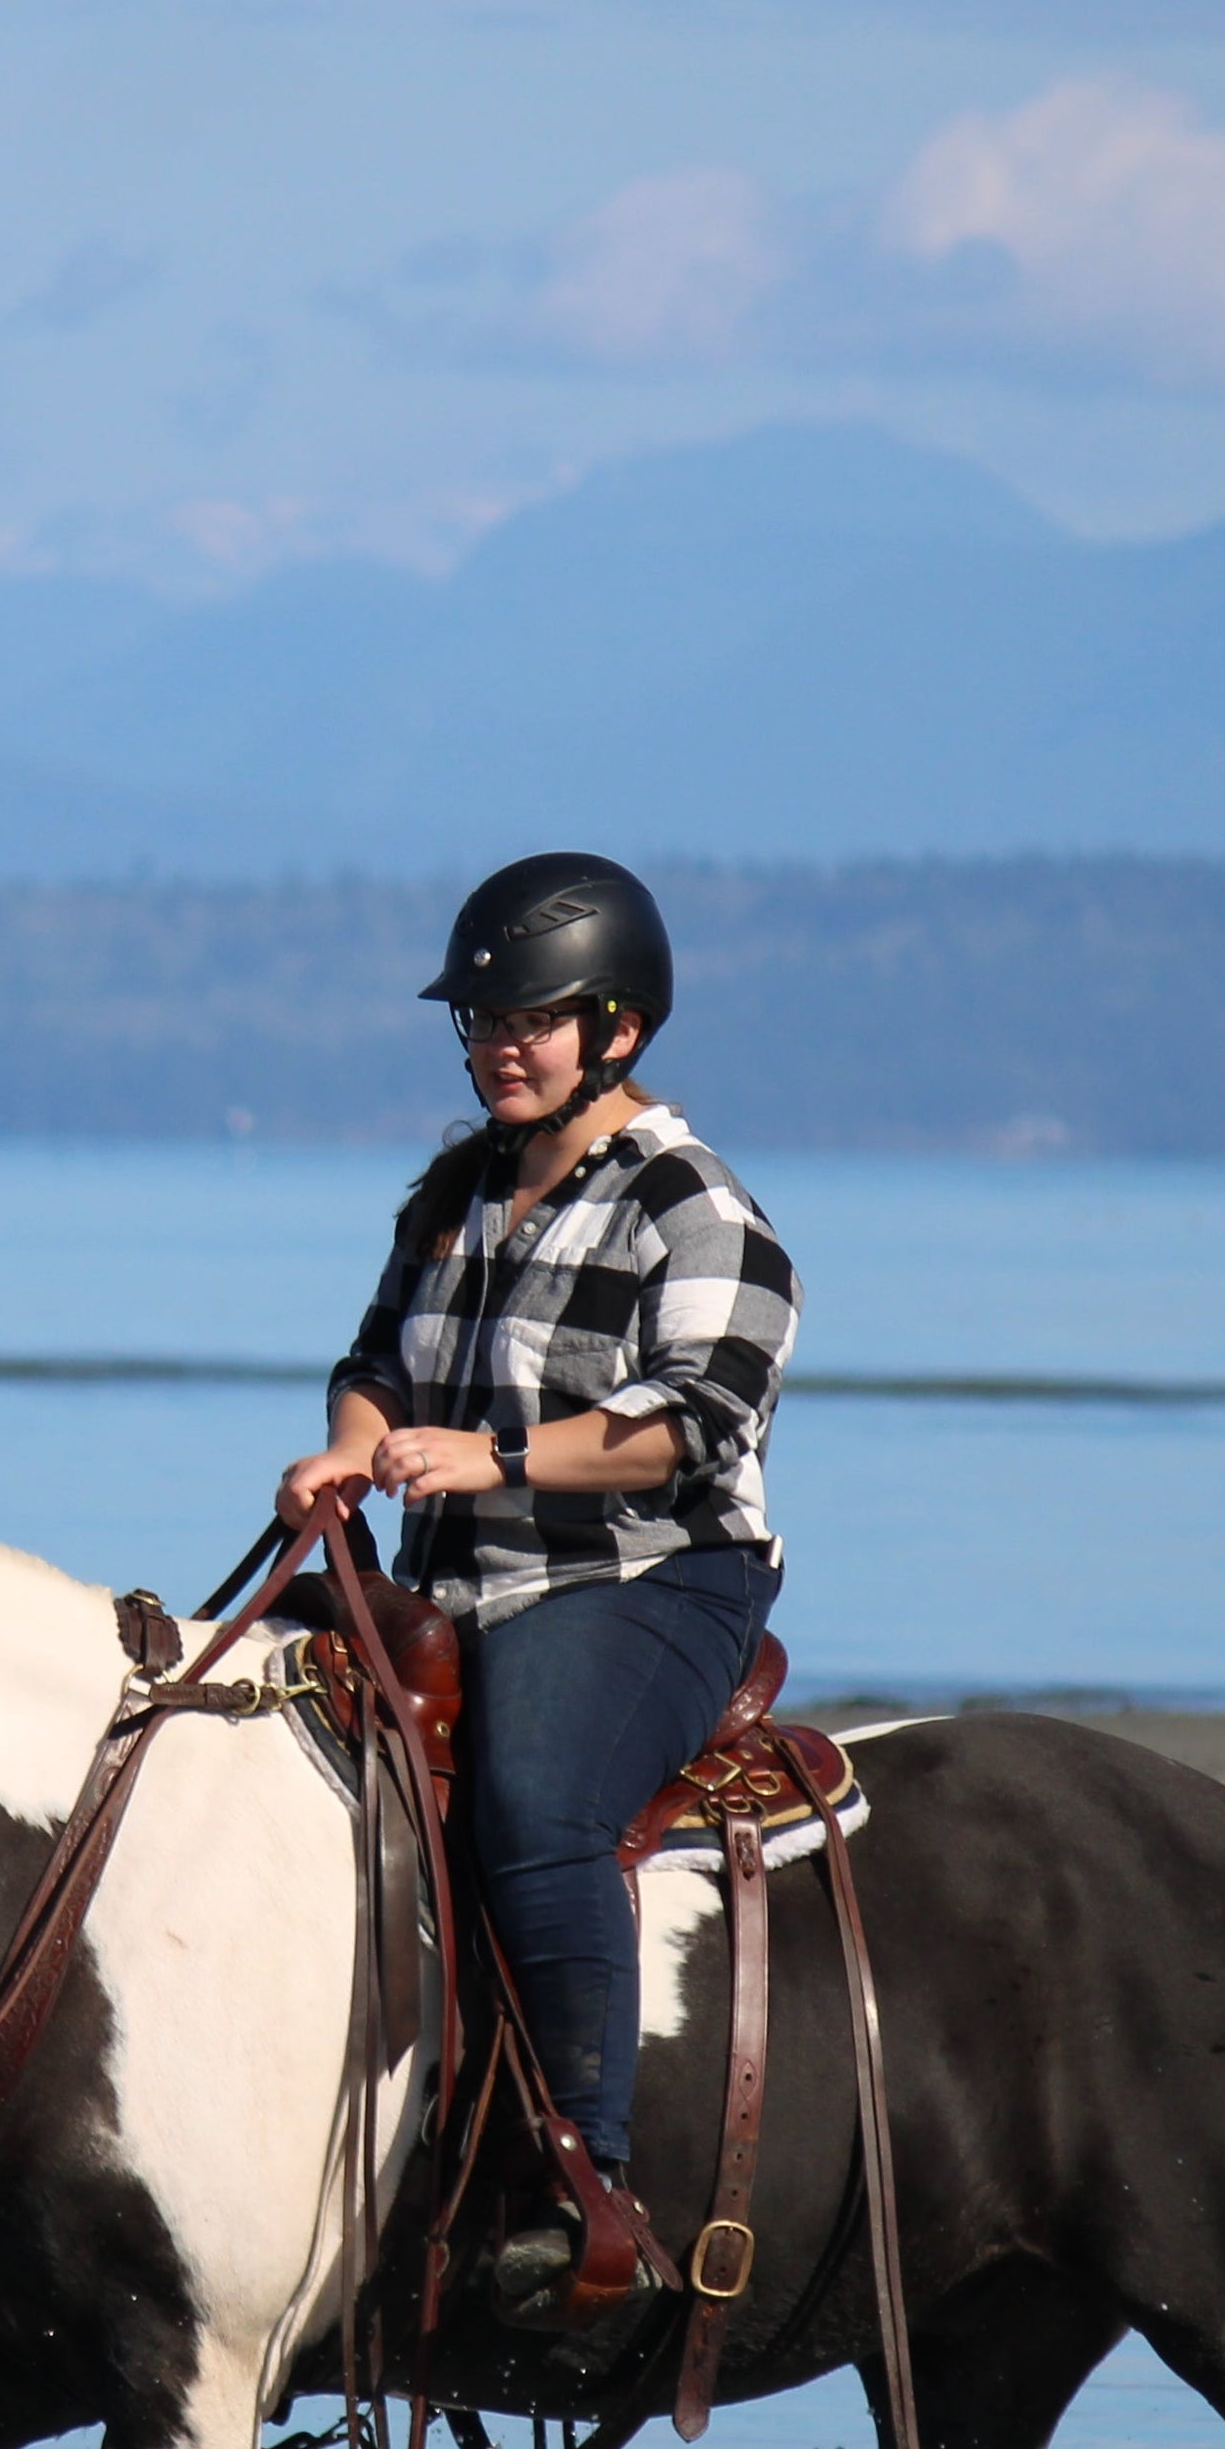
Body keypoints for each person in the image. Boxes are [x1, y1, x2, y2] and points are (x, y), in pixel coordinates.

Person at [276, 852, 800, 2333]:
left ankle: (585, 2178)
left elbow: (688, 1427)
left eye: (536, 1018)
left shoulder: (701, 1213)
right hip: (457, 1581)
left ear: (620, 1028)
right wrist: (346, 1455)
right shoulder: (456, 1193)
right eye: (484, 1019)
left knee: (534, 1803)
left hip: (648, 1578)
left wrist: (489, 1455)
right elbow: (378, 1364)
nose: (502, 1042)